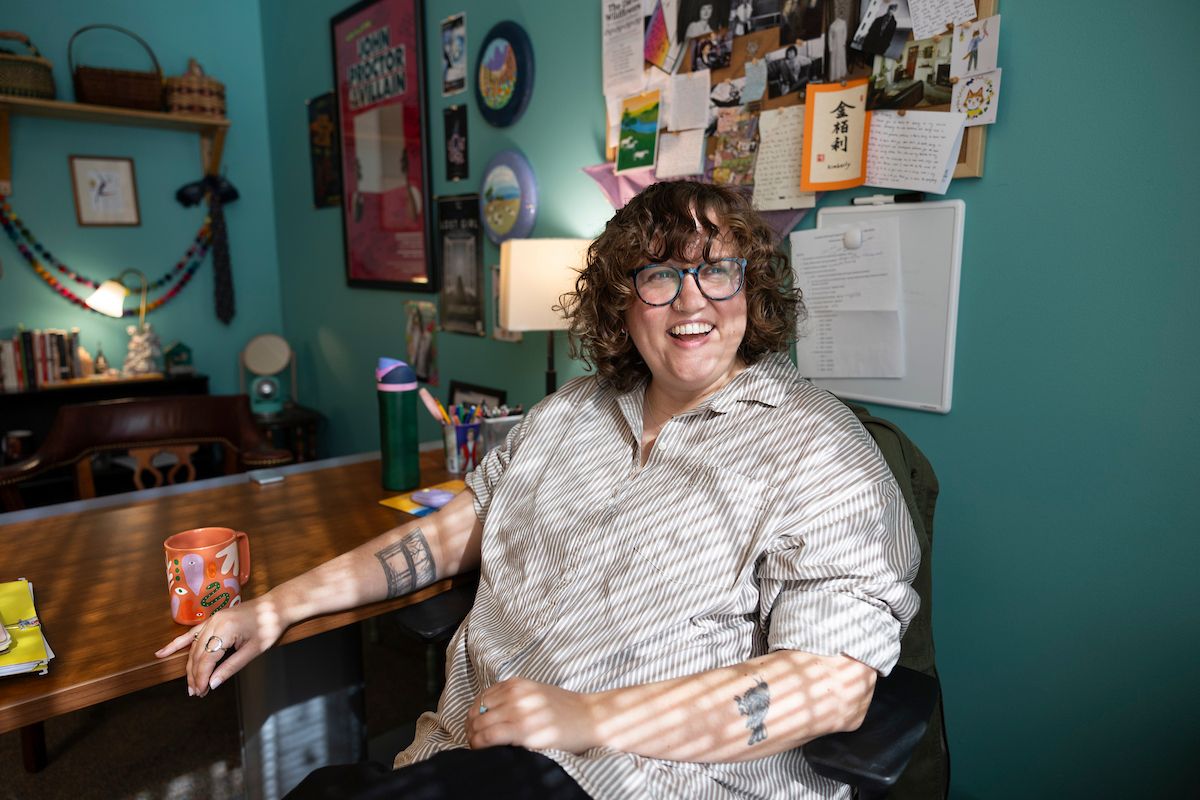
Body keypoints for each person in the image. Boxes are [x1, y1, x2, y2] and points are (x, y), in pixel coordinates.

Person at [157, 181, 920, 799]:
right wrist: (277, 606)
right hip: (461, 754)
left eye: (716, 270)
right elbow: (455, 529)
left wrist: (581, 717)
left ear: (752, 291)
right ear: (623, 302)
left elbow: (830, 686)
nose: (692, 302)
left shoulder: (821, 451)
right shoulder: (567, 414)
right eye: (660, 275)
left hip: (646, 779)